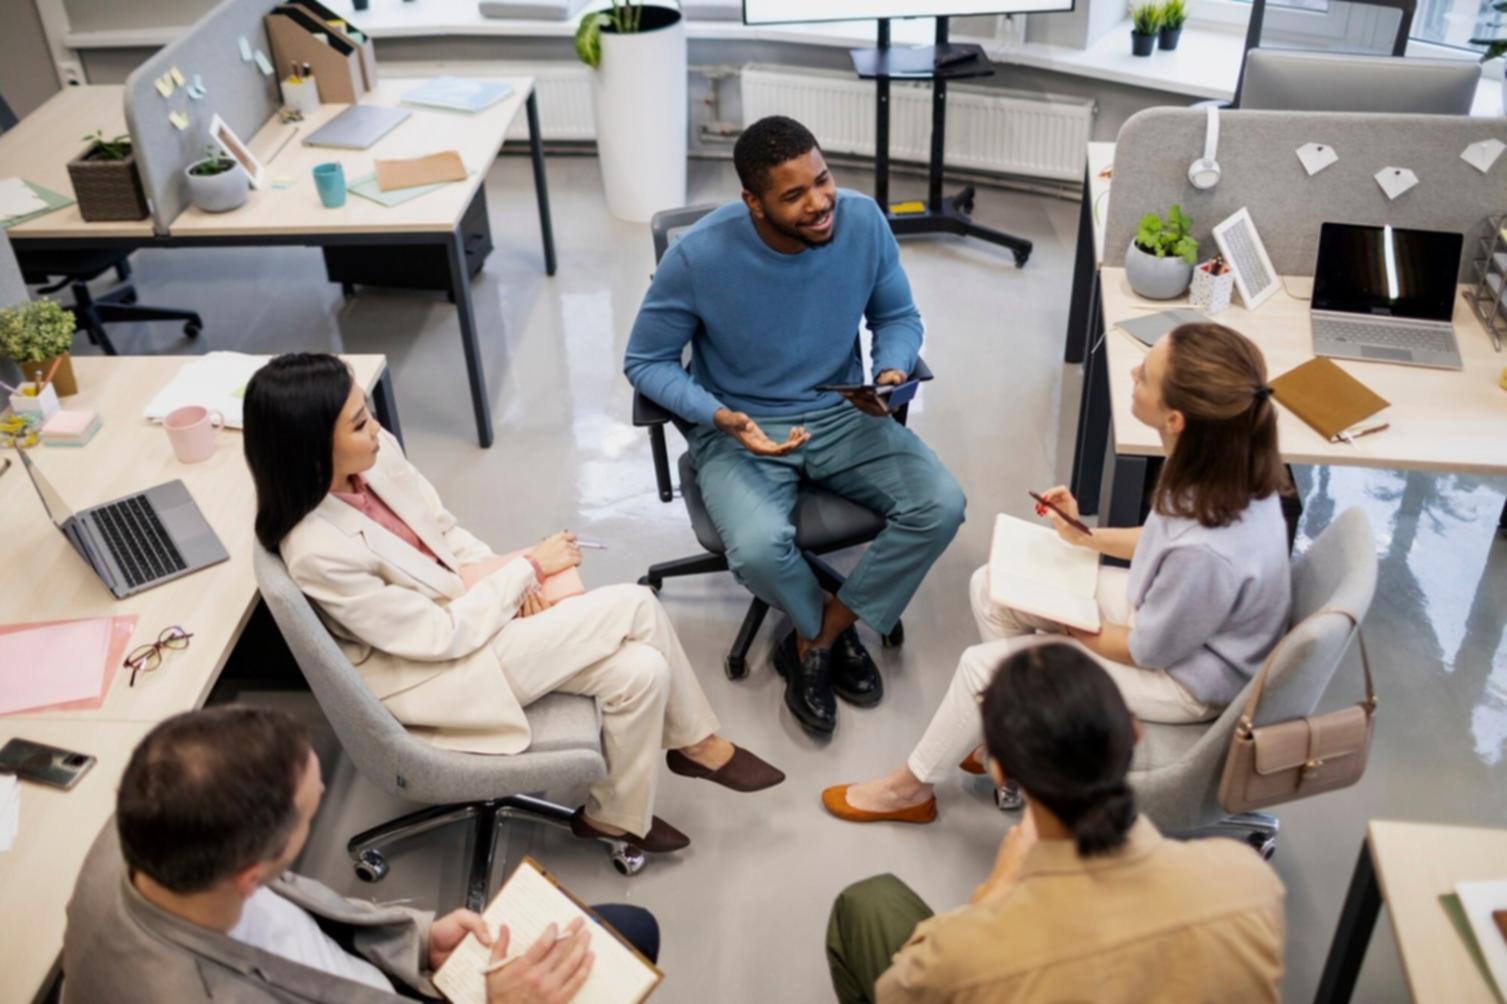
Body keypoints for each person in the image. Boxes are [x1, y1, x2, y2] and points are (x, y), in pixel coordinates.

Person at [243, 353, 783, 855]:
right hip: (432, 671)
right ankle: (698, 744)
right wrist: (526, 571)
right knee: (637, 606)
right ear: (311, 447)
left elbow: (447, 535)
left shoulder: (377, 461)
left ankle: (613, 817)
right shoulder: (318, 550)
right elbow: (434, 638)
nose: (379, 429)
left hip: (465, 616)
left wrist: (509, 582)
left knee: (641, 670)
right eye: (359, 424)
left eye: (370, 412)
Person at [824, 322, 1292, 822]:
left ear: (1175, 418)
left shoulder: (1209, 551)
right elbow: (1166, 540)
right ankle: (1006, 743)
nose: (1133, 371)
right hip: (1169, 617)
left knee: (985, 669)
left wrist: (1066, 624)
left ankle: (908, 792)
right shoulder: (1222, 463)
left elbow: (1148, 649)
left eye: (1147, 376)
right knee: (992, 587)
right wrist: (1083, 537)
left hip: (1183, 678)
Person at [624, 114, 966, 737]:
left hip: (839, 412)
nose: (820, 203)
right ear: (753, 203)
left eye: (823, 180)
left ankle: (819, 638)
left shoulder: (862, 222)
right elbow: (644, 362)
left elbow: (898, 316)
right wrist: (719, 416)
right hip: (743, 428)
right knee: (756, 549)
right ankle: (824, 633)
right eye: (794, 195)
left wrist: (889, 372)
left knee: (941, 504)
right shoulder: (698, 258)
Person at [63, 706, 661, 1003]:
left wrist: (417, 938)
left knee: (623, 932)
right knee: (627, 940)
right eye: (309, 813)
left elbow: (300, 916)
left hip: (379, 977)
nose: (324, 796)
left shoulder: (148, 825)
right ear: (250, 875)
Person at [825, 643, 1286, 1003]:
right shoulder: (1250, 884)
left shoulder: (963, 953)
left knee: (868, 901)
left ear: (1000, 769)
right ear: (1134, 732)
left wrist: (994, 894)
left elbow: (897, 994)